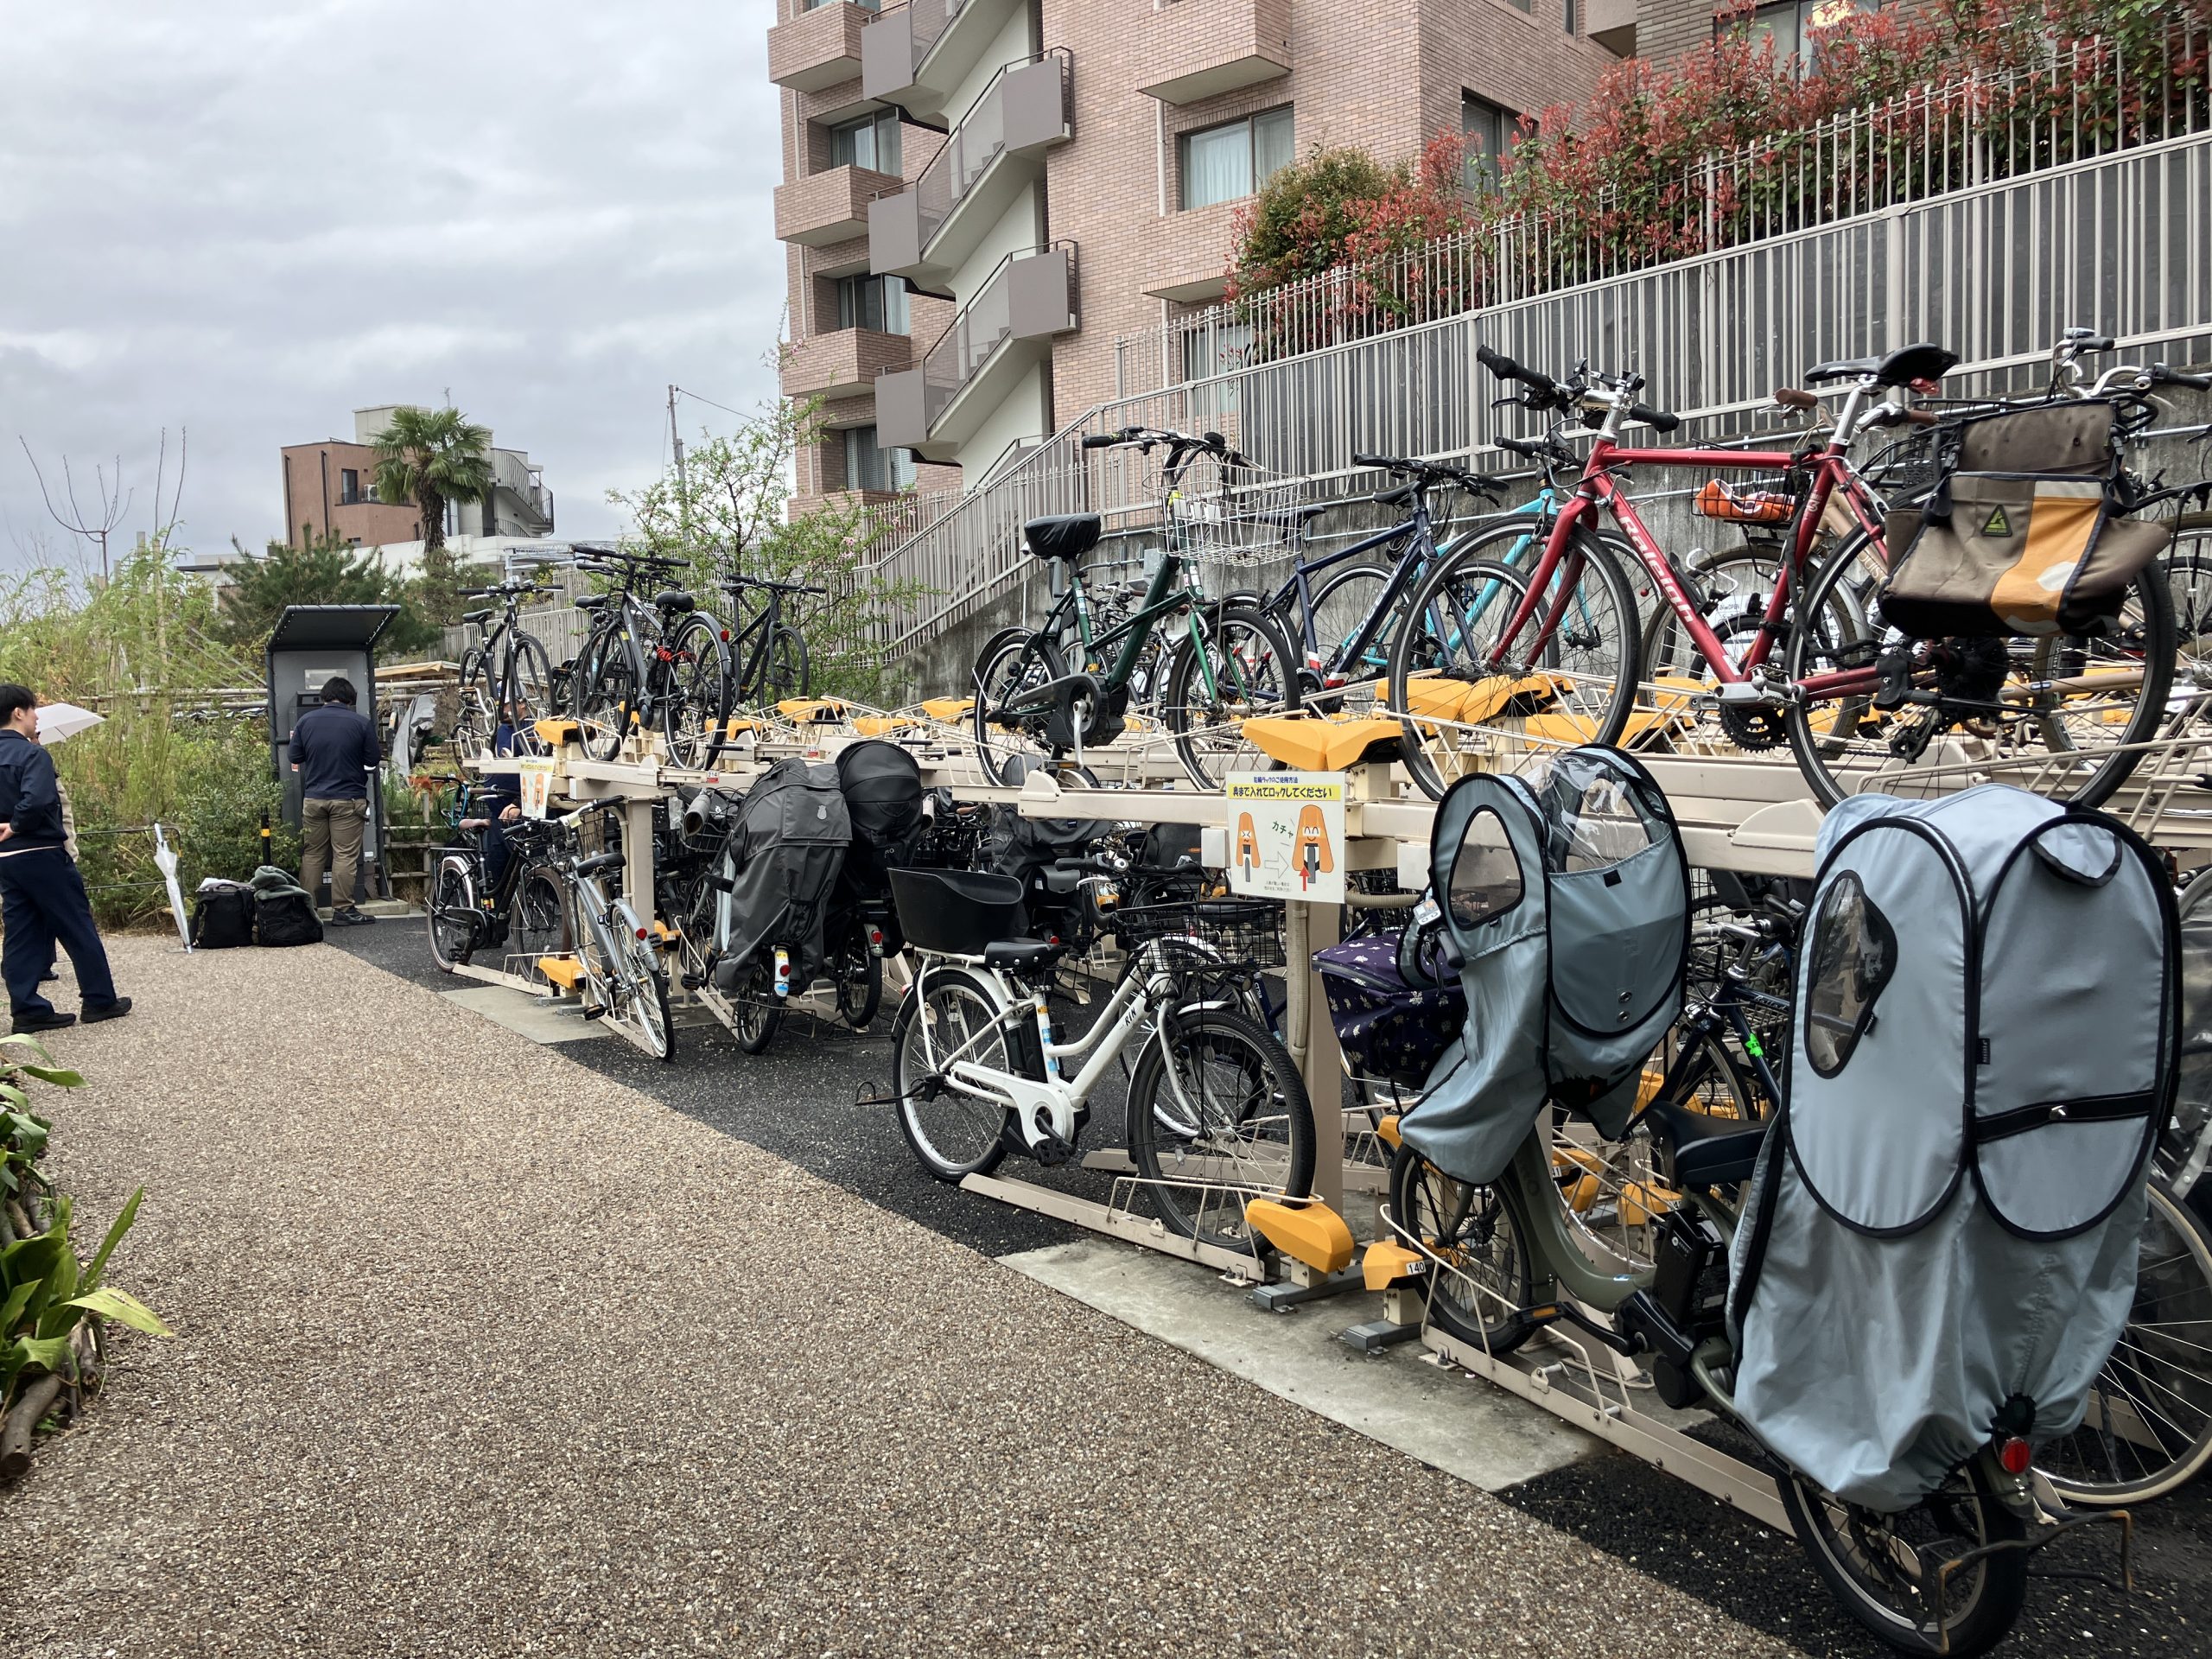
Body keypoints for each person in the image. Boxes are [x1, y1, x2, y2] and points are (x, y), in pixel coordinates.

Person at [0, 683, 130, 1033]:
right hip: (41, 851)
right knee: (76, 923)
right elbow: (39, 799)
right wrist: (16, 824)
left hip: (6, 860)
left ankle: (27, 1007)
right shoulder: (32, 755)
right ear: (18, 713)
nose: (37, 716)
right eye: (33, 710)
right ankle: (99, 999)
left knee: (20, 931)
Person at [289, 676, 382, 926]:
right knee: (344, 855)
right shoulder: (361, 723)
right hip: (348, 800)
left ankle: (307, 910)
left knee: (312, 854)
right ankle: (343, 910)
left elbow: (294, 755)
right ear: (350, 699)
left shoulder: (305, 721)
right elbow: (373, 761)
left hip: (314, 799)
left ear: (325, 697)